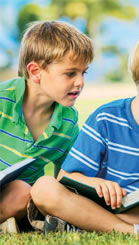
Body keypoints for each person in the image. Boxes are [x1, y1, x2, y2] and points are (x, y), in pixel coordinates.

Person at [30, 28, 139, 235]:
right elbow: (66, 177)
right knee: (44, 188)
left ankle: (89, 225)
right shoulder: (106, 118)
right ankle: (137, 231)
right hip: (101, 204)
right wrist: (94, 182)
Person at [0, 21, 94, 233]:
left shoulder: (67, 121)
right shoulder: (2, 99)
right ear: (35, 72)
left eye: (84, 73)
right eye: (70, 73)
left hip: (15, 198)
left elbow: (66, 176)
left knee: (21, 192)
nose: (80, 82)